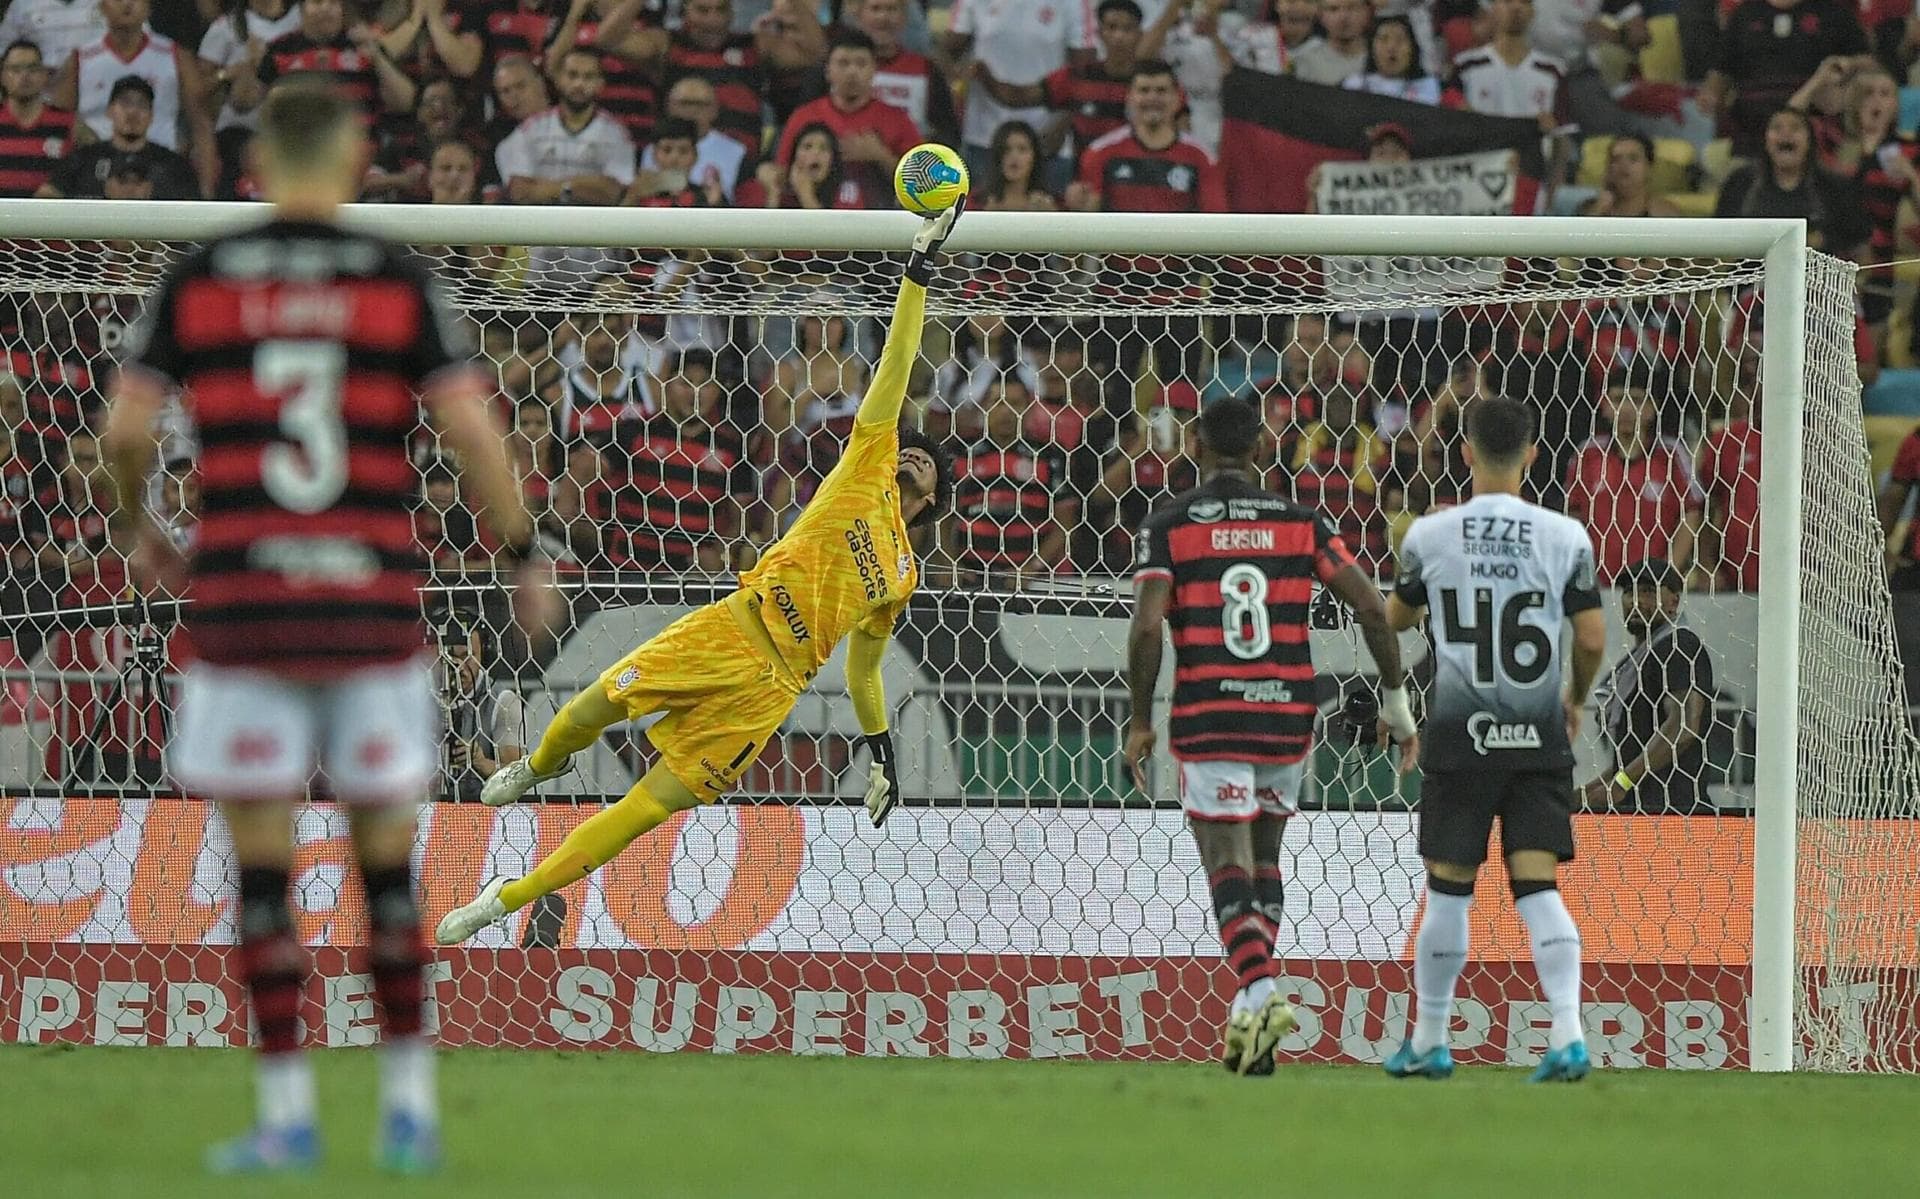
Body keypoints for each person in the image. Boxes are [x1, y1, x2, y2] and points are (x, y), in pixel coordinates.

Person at [99, 82, 547, 1173]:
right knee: (385, 874)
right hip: (370, 615)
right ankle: (409, 1110)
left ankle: (287, 1115)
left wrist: (139, 527)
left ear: (255, 164)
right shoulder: (395, 280)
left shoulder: (199, 278)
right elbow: (472, 431)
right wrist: (522, 550)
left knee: (260, 879)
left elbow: (121, 428)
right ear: (350, 159)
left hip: (244, 615)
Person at [433, 201, 965, 946]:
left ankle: (504, 896)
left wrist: (879, 751)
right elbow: (899, 367)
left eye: (931, 469)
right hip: (731, 627)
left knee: (645, 811)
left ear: (936, 497)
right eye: (915, 451)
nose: (917, 460)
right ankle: (537, 764)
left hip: (771, 691)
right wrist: (917, 270)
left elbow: (867, 671)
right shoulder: (866, 467)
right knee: (589, 713)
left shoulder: (902, 576)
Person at [1125, 394, 1416, 1076]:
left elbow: (1145, 625)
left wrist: (1140, 717)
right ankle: (1250, 1022)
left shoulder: (1169, 524)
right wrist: (1398, 699)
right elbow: (1374, 605)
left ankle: (1259, 989)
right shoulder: (1302, 521)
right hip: (1287, 719)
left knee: (1225, 862)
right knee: (1265, 865)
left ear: (1195, 445)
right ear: (1261, 449)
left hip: (1211, 717)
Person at [1381, 394, 1608, 1083]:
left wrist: (1416, 564)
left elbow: (1391, 618)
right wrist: (1572, 697)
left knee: (1449, 890)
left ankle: (1428, 1039)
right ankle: (1568, 1034)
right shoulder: (1565, 535)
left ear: (1467, 452)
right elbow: (1593, 636)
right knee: (1537, 886)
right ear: (1533, 455)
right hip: (1537, 736)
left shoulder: (1431, 534)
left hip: (1460, 736)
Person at [1583, 557, 1716, 814]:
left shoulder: (1679, 646)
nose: (1635, 601)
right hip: (1644, 811)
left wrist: (1621, 783)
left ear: (1674, 601)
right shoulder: (1641, 658)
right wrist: (1586, 794)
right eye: (1628, 592)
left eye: (1647, 591)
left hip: (1674, 813)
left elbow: (1684, 726)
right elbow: (1633, 755)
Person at [37, 75, 199, 199]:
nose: (132, 112)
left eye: (142, 105)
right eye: (125, 103)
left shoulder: (173, 165)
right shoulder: (83, 159)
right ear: (109, 111)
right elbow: (44, 198)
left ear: (151, 116)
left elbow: (196, 216)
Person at [0, 39, 77, 197]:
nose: (25, 76)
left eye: (32, 69)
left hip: (50, 219)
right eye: (15, 69)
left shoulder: (68, 123)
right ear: (3, 76)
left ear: (44, 75)